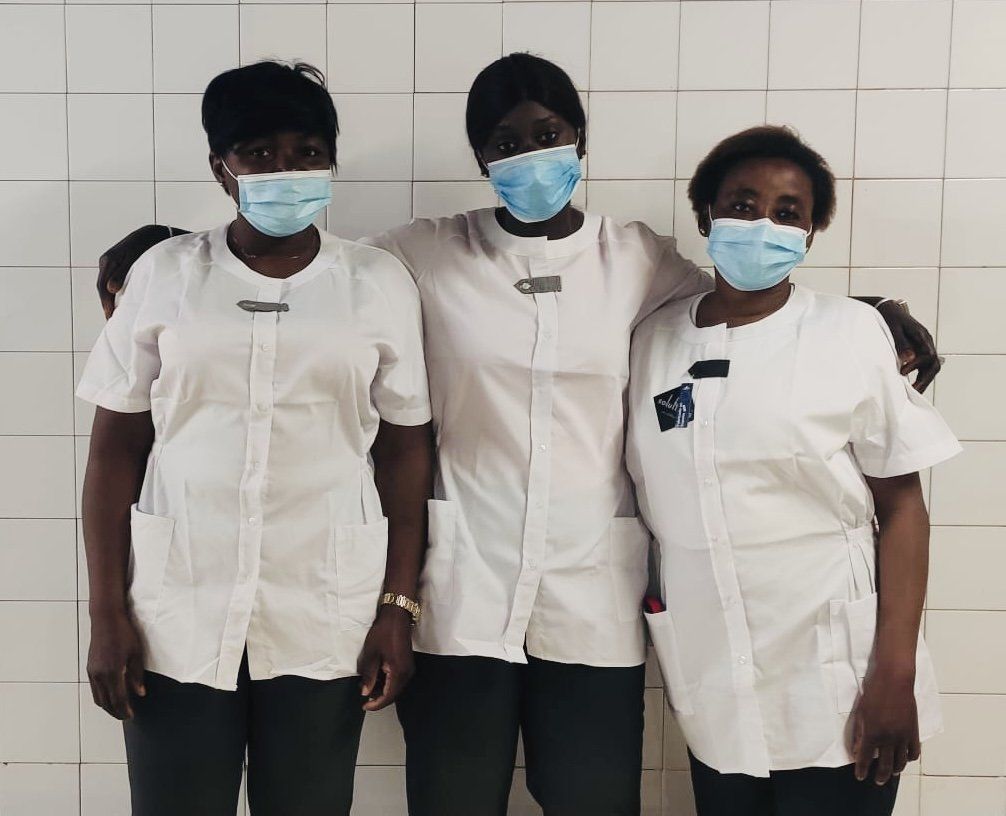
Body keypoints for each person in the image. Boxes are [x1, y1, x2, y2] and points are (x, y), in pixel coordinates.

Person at [91, 55, 943, 816]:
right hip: (464, 589)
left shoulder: (639, 261)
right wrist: (157, 249)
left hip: (590, 591)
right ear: (482, 159)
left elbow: (745, 300)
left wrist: (875, 316)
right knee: (453, 798)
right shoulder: (422, 255)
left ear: (579, 141)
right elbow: (303, 267)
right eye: (506, 142)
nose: (531, 156)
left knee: (592, 799)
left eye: (549, 134)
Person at [77, 61, 433, 816]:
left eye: (308, 152)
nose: (286, 170)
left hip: (322, 609)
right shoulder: (165, 274)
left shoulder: (376, 282)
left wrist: (397, 608)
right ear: (221, 167)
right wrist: (106, 613)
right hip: (176, 611)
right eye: (260, 153)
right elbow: (114, 450)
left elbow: (405, 452)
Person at [625, 126, 961, 816]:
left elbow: (903, 509)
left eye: (787, 213)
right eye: (742, 206)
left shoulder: (850, 333)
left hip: (840, 687)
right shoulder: (652, 341)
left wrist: (894, 672)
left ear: (810, 233)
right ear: (706, 218)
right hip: (715, 686)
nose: (762, 227)